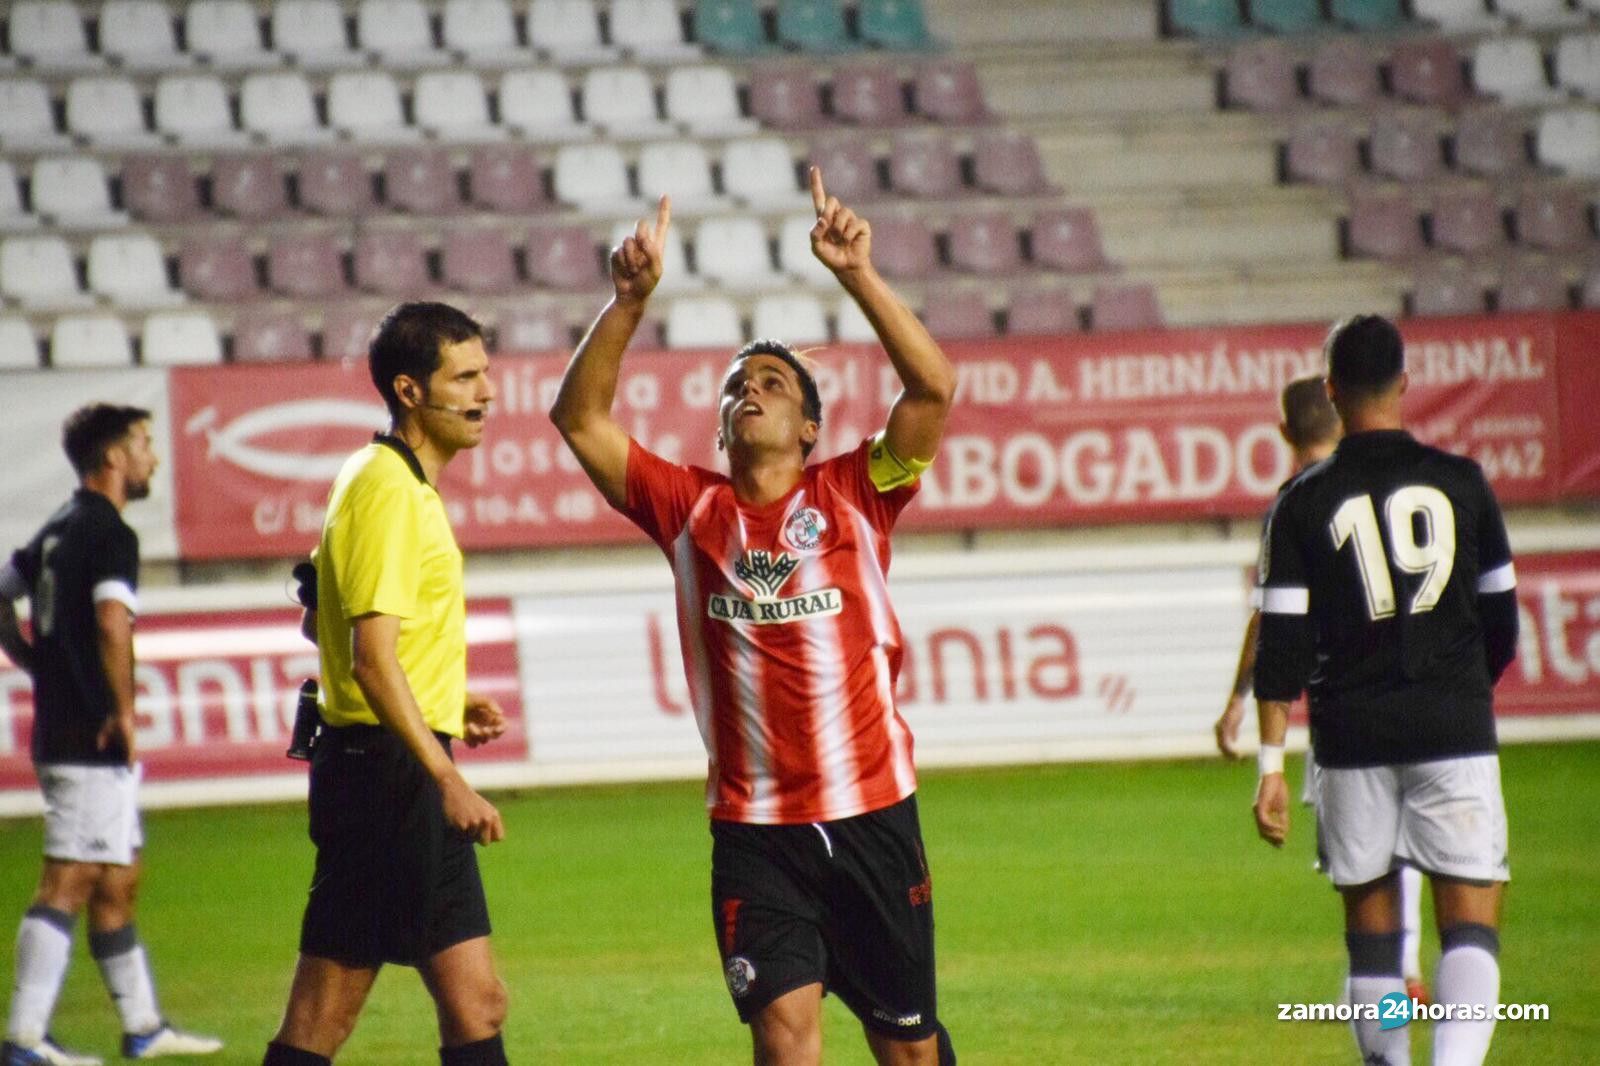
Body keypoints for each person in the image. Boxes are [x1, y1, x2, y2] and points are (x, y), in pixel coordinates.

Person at [550, 168, 958, 1066]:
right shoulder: (685, 507)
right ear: (722, 427)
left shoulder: (859, 490)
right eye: (739, 383)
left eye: (773, 381)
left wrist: (857, 274)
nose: (752, 389)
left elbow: (931, 391)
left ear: (811, 428)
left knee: (907, 1047)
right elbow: (579, 418)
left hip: (872, 813)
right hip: (753, 832)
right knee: (785, 1040)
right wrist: (626, 302)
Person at [1252, 316, 1519, 1066]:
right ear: (1404, 381)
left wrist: (1270, 767)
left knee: (1373, 937)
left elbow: (1281, 649)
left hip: (1351, 739)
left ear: (1331, 392)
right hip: (1452, 729)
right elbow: (1502, 624)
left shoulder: (1301, 503)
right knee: (1469, 922)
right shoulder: (1464, 484)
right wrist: (1462, 692)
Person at [262, 303, 512, 1066]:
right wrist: (446, 777)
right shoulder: (388, 490)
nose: (485, 393)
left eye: (486, 374)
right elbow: (370, 659)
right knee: (322, 1015)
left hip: (396, 763)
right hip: (386, 781)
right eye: (464, 377)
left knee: (478, 1001)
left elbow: (321, 618)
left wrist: (441, 697)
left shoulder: (385, 480)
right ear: (409, 391)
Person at [0, 405, 223, 1065]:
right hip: (88, 735)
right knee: (68, 879)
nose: (152, 457)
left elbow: (1, 592)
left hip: (63, 725)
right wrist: (121, 710)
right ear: (115, 457)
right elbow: (110, 623)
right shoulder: (108, 534)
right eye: (145, 444)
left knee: (117, 878)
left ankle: (143, 1026)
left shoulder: (58, 528)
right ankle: (24, 1039)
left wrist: (33, 659)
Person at [1214, 376, 1430, 1005]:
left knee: (1365, 885)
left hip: (1341, 713)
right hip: (1422, 696)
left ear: (1283, 433)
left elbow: (1271, 620)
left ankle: (1388, 1001)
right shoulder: (1400, 483)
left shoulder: (1293, 503)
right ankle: (1414, 970)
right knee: (1425, 858)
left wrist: (1239, 706)